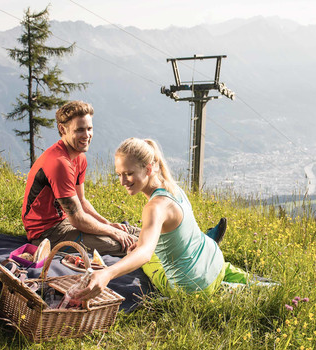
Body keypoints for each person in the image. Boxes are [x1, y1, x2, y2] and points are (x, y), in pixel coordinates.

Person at [76, 137, 249, 300]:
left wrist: (108, 273)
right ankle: (252, 283)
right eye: (119, 174)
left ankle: (228, 289)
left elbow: (144, 253)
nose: (122, 181)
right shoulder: (173, 188)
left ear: (149, 169)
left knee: (144, 259)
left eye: (128, 173)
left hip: (192, 289)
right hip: (214, 261)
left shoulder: (155, 207)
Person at [21, 101, 139, 256]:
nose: (87, 135)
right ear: (62, 129)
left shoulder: (79, 157)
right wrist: (111, 231)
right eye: (80, 130)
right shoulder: (59, 163)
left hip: (65, 222)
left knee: (138, 233)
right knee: (124, 244)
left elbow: (81, 201)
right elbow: (77, 218)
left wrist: (108, 224)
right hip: (46, 234)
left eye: (89, 128)